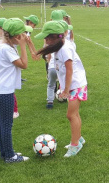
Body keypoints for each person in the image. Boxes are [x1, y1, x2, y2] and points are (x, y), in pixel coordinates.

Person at [35, 21, 87, 157]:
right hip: (74, 85)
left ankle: (75, 145)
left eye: (47, 38)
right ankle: (79, 138)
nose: (45, 41)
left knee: (71, 115)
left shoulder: (65, 49)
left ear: (56, 37)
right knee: (74, 114)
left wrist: (65, 90)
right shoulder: (59, 46)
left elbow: (70, 70)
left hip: (76, 85)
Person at [0, 18, 30, 163]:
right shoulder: (7, 49)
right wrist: (23, 46)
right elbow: (24, 64)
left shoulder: (0, 45)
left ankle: (5, 151)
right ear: (16, 36)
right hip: (4, 91)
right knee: (6, 124)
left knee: (1, 123)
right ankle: (10, 156)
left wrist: (21, 43)